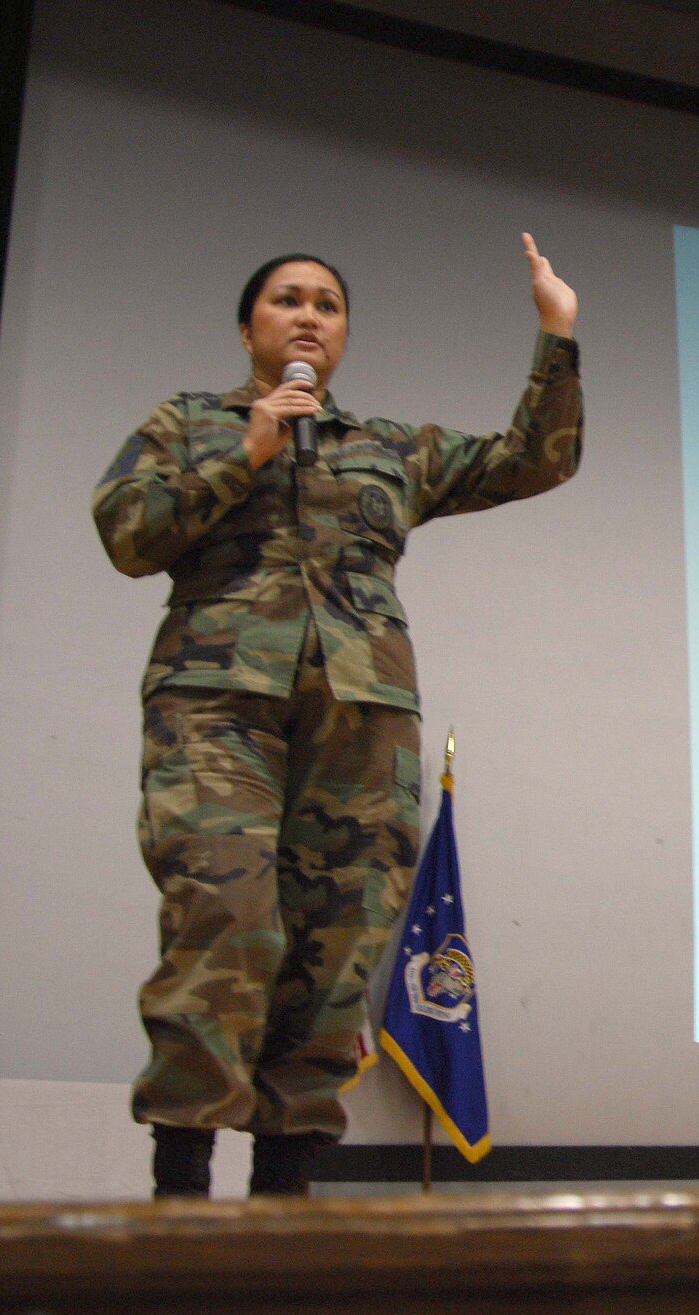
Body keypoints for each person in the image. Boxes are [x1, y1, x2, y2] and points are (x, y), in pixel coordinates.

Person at [92, 235, 582, 1197]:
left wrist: (556, 333)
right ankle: (181, 1188)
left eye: (328, 304)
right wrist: (249, 449)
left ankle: (286, 1196)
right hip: (215, 712)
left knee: (336, 945)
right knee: (226, 922)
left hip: (361, 723)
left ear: (343, 335)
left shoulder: (390, 447)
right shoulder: (187, 423)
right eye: (287, 300)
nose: (309, 315)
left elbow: (536, 460)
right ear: (249, 328)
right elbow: (128, 534)